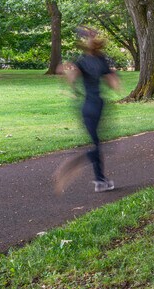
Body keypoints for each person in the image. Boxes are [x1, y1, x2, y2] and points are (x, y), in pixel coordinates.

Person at [54, 27, 120, 193]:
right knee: (98, 146)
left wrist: (66, 72)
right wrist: (114, 77)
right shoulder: (93, 60)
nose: (91, 37)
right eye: (90, 36)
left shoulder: (84, 60)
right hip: (95, 106)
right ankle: (75, 164)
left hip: (88, 107)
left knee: (98, 144)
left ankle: (100, 181)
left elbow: (73, 78)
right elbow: (114, 86)